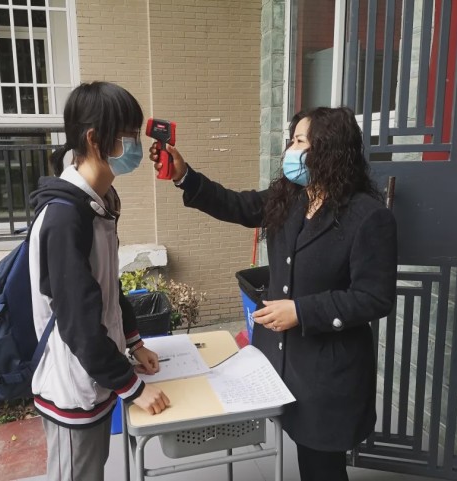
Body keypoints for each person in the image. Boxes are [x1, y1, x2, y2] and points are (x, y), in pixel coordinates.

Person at [149, 106, 397, 481]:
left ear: (328, 149)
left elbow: (374, 297)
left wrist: (301, 311)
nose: (290, 150)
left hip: (327, 372)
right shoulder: (292, 197)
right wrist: (184, 176)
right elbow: (236, 204)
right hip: (279, 360)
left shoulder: (368, 217)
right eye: (291, 141)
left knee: (321, 466)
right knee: (294, 450)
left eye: (299, 141)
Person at [29, 81, 170, 481]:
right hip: (72, 386)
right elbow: (78, 322)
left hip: (96, 374)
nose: (136, 145)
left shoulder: (100, 202)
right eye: (129, 135)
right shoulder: (64, 217)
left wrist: (134, 343)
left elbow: (108, 286)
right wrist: (134, 388)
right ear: (94, 139)